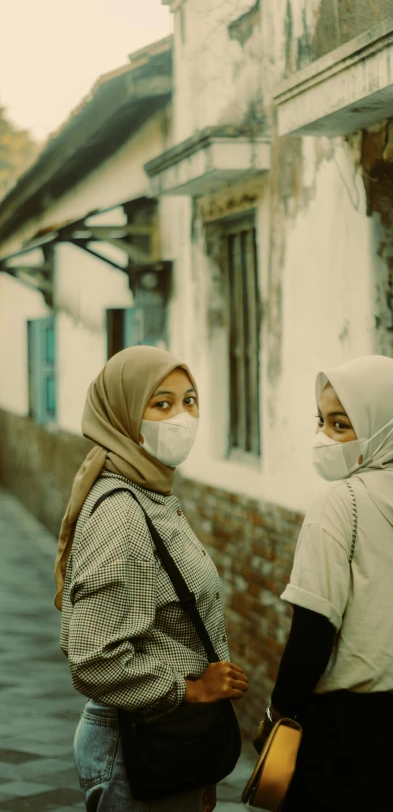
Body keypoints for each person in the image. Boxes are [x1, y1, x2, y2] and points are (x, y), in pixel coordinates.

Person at [255, 355, 393, 812]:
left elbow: (313, 630)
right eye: (322, 421)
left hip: (348, 739)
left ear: (385, 426)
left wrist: (278, 713)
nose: (324, 438)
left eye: (341, 425)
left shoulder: (340, 500)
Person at [55, 345, 248, 812]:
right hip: (138, 745)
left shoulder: (151, 489)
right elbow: (93, 656)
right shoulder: (122, 510)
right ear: (122, 414)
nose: (182, 416)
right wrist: (190, 690)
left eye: (190, 400)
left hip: (169, 738)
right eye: (161, 403)